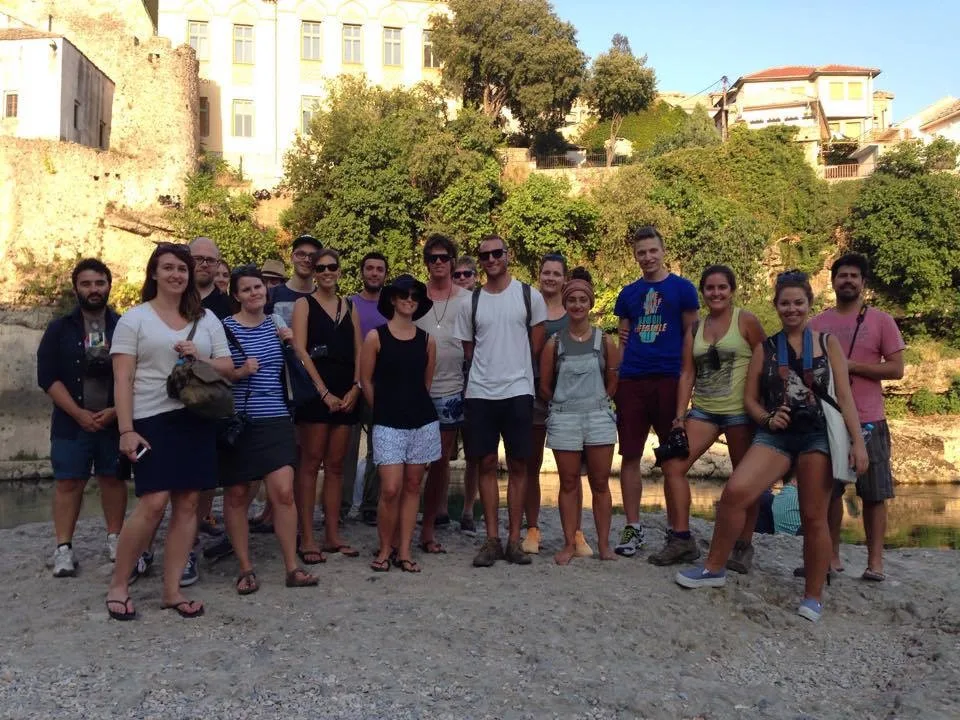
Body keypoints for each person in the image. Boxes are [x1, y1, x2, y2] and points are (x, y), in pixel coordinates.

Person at [676, 270, 868, 623]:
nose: (791, 309)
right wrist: (766, 419)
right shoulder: (765, 348)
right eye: (785, 303)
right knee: (735, 493)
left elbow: (845, 398)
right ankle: (713, 567)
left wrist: (858, 443)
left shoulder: (828, 343)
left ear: (809, 304)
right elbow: (749, 400)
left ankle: (813, 595)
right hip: (776, 435)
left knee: (813, 515)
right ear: (776, 306)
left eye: (798, 303)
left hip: (818, 435)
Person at [105, 243, 233, 620]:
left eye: (182, 268)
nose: (176, 274)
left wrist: (200, 356)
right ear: (154, 273)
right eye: (169, 268)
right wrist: (125, 430)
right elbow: (122, 378)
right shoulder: (135, 319)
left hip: (196, 417)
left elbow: (227, 365)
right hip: (151, 419)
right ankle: (119, 585)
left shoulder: (207, 318)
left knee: (189, 503)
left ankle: (172, 590)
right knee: (153, 502)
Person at [649, 265, 766, 569]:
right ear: (702, 292)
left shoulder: (746, 321)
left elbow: (765, 359)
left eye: (722, 287)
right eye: (710, 288)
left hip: (740, 412)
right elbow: (688, 373)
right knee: (673, 466)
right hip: (704, 411)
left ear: (732, 290)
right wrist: (679, 416)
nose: (716, 293)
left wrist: (761, 405)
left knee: (745, 479)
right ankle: (681, 539)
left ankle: (743, 544)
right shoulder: (695, 329)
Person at [218, 266, 319, 593]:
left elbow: (293, 369)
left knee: (284, 493)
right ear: (236, 295)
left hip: (276, 419)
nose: (254, 293)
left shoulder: (277, 324)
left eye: (258, 287)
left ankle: (292, 566)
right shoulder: (224, 328)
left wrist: (291, 345)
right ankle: (245, 568)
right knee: (237, 495)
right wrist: (239, 372)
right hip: (240, 422)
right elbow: (213, 372)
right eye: (246, 289)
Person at [810, 253, 904, 581]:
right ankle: (832, 557)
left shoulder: (881, 321)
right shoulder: (817, 324)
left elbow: (896, 369)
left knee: (875, 493)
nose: (848, 281)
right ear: (833, 282)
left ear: (863, 283)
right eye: (842, 276)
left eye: (854, 276)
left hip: (870, 418)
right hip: (828, 419)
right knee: (830, 492)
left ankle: (875, 562)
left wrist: (852, 367)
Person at [453, 235, 547, 567]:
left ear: (508, 255)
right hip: (480, 392)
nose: (491, 259)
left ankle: (514, 540)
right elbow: (469, 349)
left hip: (518, 390)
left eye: (497, 253)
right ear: (479, 261)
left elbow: (536, 342)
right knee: (487, 463)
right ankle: (492, 539)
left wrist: (512, 365)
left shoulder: (529, 296)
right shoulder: (471, 302)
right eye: (485, 255)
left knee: (520, 465)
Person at [36, 258, 127, 577]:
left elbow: (136, 374)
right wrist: (78, 413)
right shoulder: (59, 328)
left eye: (99, 283)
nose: (93, 289)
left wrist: (116, 411)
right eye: (86, 284)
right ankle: (63, 548)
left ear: (109, 285)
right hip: (70, 421)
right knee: (68, 482)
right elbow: (47, 376)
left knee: (113, 479)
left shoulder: (124, 326)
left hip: (113, 421)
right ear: (76, 287)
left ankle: (116, 539)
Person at [613, 225, 700, 557]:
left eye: (653, 250)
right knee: (630, 455)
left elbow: (692, 337)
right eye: (641, 252)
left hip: (670, 379)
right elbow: (622, 340)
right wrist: (617, 380)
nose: (648, 257)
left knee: (672, 458)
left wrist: (690, 383)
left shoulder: (683, 289)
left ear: (663, 251)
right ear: (635, 256)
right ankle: (633, 527)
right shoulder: (628, 294)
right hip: (632, 380)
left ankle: (676, 531)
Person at [360, 274, 440, 573]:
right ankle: (385, 547)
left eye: (415, 296)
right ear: (393, 299)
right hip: (388, 422)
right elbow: (366, 380)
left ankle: (404, 550)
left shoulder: (428, 341)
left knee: (413, 486)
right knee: (391, 488)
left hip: (421, 421)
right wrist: (381, 409)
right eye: (404, 294)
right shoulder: (375, 337)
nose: (409, 300)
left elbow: (426, 383)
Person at [539, 270, 620, 564]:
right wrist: (564, 404)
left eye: (582, 300)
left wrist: (598, 403)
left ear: (591, 303)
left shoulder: (605, 341)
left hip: (598, 416)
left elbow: (613, 381)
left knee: (600, 483)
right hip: (564, 418)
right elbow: (545, 386)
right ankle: (569, 543)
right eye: (571, 300)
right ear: (565, 304)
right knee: (568, 482)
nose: (577, 305)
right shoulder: (554, 343)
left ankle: (604, 546)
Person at [291, 248, 362, 564]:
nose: (327, 272)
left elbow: (359, 350)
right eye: (320, 268)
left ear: (340, 270)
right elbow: (300, 350)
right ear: (314, 272)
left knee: (335, 466)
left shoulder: (350, 306)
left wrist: (356, 387)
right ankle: (307, 537)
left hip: (346, 393)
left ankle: (332, 535)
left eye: (332, 266)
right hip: (316, 394)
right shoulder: (303, 305)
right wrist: (323, 392)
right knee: (309, 465)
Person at [415, 235, 469, 554]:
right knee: (412, 460)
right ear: (426, 262)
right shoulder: (412, 297)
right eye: (433, 258)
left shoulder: (467, 300)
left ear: (452, 261)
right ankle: (408, 520)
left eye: (444, 257)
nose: (438, 262)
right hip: (416, 389)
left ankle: (430, 523)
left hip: (451, 389)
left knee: (439, 460)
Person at [341, 252, 389, 525]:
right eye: (369, 268)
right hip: (350, 383)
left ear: (385, 274)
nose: (374, 273)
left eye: (379, 269)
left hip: (379, 384)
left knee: (377, 447)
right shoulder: (348, 304)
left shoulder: (391, 307)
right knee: (346, 449)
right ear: (362, 272)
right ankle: (341, 506)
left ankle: (370, 505)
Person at [452, 256, 480, 534]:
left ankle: (469, 510)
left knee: (475, 453)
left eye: (466, 274)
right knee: (439, 451)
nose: (461, 278)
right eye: (457, 274)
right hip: (448, 381)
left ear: (475, 277)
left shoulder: (484, 303)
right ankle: (437, 509)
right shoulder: (442, 303)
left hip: (476, 385)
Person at [268, 234, 321, 327]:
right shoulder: (271, 295)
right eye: (301, 254)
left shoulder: (323, 299)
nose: (307, 259)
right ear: (291, 257)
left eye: (312, 256)